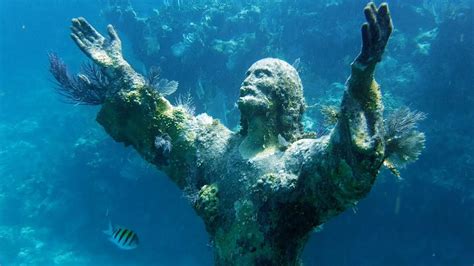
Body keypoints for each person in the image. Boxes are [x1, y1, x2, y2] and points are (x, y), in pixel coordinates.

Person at [65, 2, 394, 265]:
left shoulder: (297, 164)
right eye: (248, 74)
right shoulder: (213, 147)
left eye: (263, 75)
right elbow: (161, 122)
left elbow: (348, 165)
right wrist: (118, 67)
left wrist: (362, 77)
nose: (250, 80)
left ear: (286, 95)